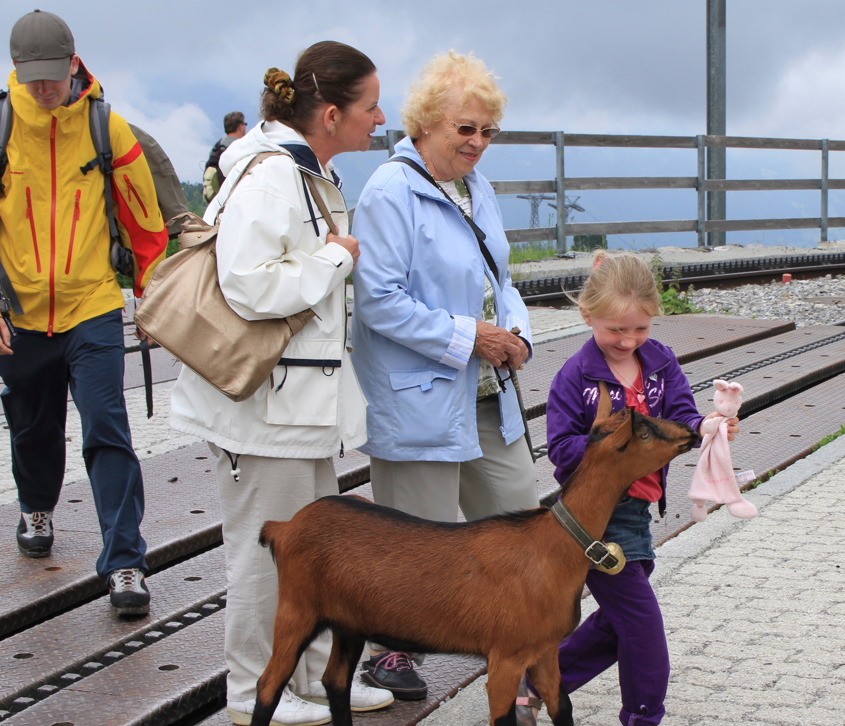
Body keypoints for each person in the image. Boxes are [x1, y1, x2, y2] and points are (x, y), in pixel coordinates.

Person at [168, 41, 393, 725]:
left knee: (315, 556)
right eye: (371, 106)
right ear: (330, 114)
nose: (381, 118)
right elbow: (247, 285)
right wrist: (333, 258)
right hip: (265, 413)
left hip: (293, 409)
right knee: (265, 560)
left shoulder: (302, 171)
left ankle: (316, 681)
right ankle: (254, 695)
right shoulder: (272, 179)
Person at [350, 50, 538, 700]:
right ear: (427, 122)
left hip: (490, 393)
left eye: (488, 130)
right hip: (421, 398)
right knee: (418, 547)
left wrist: (515, 331)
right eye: (466, 128)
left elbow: (501, 279)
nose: (478, 142)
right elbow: (376, 301)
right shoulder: (388, 192)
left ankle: (518, 656)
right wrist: (469, 337)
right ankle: (389, 655)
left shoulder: (475, 187)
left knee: (520, 524)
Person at [0, 10, 169, 617]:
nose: (45, 89)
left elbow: (147, 226)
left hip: (92, 305)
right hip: (19, 313)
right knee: (32, 428)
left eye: (54, 75)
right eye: (33, 78)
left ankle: (125, 564)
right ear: (17, 71)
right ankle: (36, 506)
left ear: (75, 64)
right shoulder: (1, 128)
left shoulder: (108, 130)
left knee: (106, 429)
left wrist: (150, 294)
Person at [527, 251, 740, 726]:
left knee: (618, 618)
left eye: (639, 329)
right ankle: (643, 716)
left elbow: (681, 415)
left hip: (639, 508)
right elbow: (560, 449)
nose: (627, 340)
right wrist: (608, 442)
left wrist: (709, 426)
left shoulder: (660, 360)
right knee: (642, 624)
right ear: (587, 317)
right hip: (594, 516)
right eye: (615, 330)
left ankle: (536, 681)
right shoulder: (575, 377)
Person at [202, 111, 247, 202]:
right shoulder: (242, 146)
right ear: (240, 127)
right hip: (235, 197)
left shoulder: (217, 147)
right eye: (245, 124)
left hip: (217, 199)